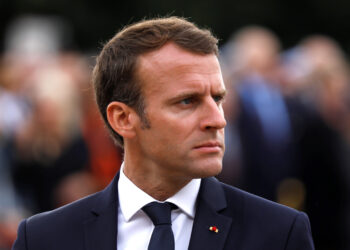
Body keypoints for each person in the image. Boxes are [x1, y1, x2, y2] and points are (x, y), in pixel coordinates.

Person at [12, 16, 314, 250]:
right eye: (187, 101)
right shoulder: (43, 238)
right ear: (123, 118)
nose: (217, 120)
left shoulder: (278, 232)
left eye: (218, 99)